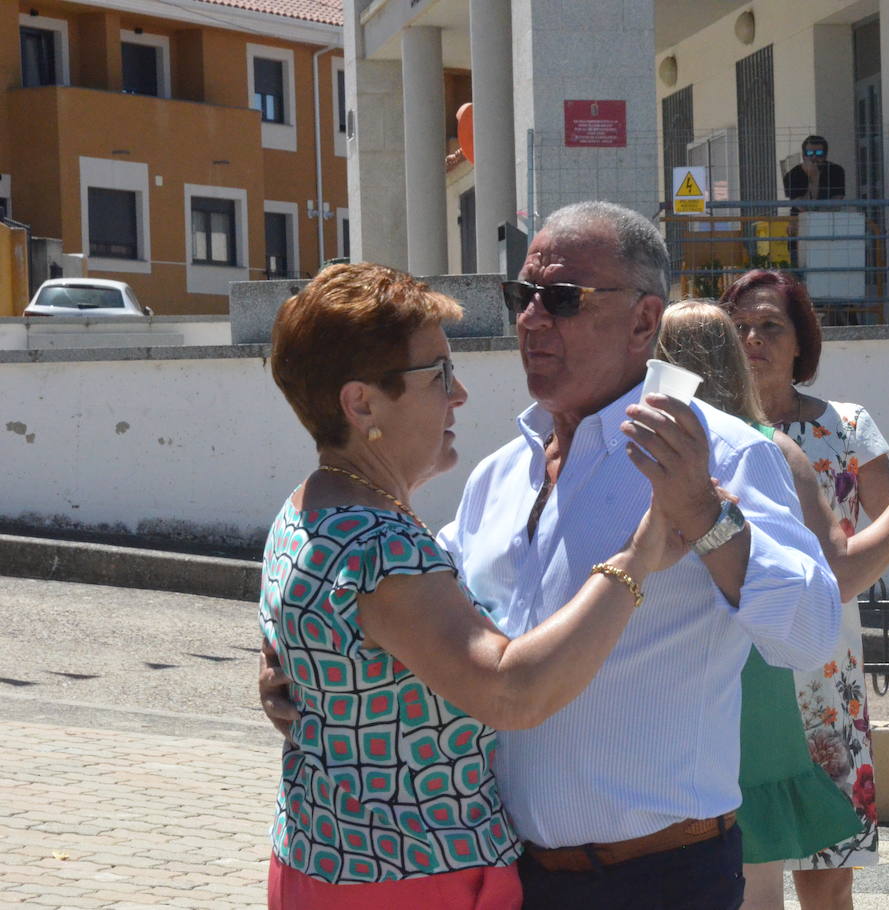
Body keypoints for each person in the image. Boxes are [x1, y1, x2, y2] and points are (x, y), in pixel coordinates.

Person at [265, 203, 842, 909]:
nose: (531, 320)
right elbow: (413, 604)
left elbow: (811, 631)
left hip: (660, 876)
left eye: (562, 300)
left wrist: (705, 518)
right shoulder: (499, 475)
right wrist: (301, 659)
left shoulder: (718, 453)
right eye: (523, 296)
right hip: (514, 874)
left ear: (642, 320)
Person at [258, 263, 702, 908]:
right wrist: (638, 556)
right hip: (412, 879)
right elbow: (512, 693)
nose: (458, 393)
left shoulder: (307, 509)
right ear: (361, 404)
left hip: (331, 859)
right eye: (437, 373)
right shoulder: (378, 544)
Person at [718, 269, 889, 910]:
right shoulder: (711, 433)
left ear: (801, 341)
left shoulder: (846, 427)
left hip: (827, 681)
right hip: (733, 675)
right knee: (740, 874)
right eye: (740, 327)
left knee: (829, 874)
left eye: (770, 326)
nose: (753, 339)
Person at [654, 301, 861, 910]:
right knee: (758, 863)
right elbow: (824, 571)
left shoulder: (655, 445)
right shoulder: (770, 446)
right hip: (761, 657)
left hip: (699, 665)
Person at [783, 135, 846, 202]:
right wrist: (814, 178)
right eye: (810, 153)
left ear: (825, 155)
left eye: (819, 153)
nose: (814, 157)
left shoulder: (836, 171)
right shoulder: (791, 175)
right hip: (800, 212)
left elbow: (836, 203)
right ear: (803, 155)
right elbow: (802, 207)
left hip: (828, 212)